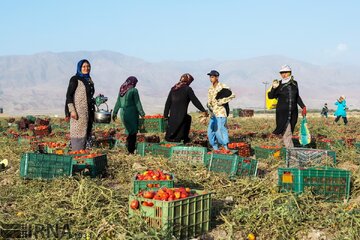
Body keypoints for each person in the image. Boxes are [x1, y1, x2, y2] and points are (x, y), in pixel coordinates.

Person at [268, 65, 306, 148]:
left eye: (285, 72)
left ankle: (281, 146)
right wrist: (274, 88)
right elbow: (270, 96)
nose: (283, 74)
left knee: (289, 130)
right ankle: (291, 152)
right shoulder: (279, 84)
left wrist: (303, 106)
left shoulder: (294, 83)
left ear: (290, 73)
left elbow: (297, 97)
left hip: (293, 112)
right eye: (281, 73)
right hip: (282, 112)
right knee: (287, 132)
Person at [164, 73, 208, 143]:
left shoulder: (173, 89)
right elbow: (195, 101)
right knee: (187, 119)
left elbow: (168, 103)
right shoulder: (188, 89)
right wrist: (203, 110)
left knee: (186, 118)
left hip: (172, 117)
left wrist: (165, 116)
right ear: (188, 81)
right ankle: (184, 138)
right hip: (181, 117)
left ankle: (174, 138)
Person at [65, 59, 95, 151]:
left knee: (87, 134)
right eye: (84, 66)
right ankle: (77, 156)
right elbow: (69, 95)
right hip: (78, 113)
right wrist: (72, 111)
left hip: (88, 112)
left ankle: (84, 158)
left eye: (88, 66)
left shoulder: (89, 80)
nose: (86, 68)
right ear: (79, 68)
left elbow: (89, 96)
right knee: (78, 134)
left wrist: (95, 100)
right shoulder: (75, 79)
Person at [113, 76, 145, 154]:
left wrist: (114, 112)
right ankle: (131, 150)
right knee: (133, 132)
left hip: (123, 113)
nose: (136, 85)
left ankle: (127, 148)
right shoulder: (134, 90)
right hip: (131, 113)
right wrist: (142, 114)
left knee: (128, 130)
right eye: (135, 83)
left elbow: (118, 102)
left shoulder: (122, 89)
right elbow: (137, 103)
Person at [207, 70, 235, 150]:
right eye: (210, 77)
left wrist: (222, 101)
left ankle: (226, 147)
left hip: (221, 112)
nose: (210, 79)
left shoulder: (223, 86)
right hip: (213, 113)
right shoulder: (210, 88)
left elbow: (232, 95)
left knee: (220, 130)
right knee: (210, 131)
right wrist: (209, 106)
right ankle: (215, 148)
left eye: (212, 77)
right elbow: (209, 100)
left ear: (217, 77)